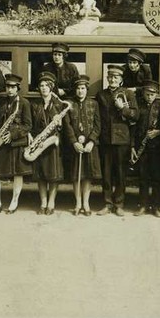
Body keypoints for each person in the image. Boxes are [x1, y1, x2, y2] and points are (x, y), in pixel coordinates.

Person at [95, 64, 138, 216]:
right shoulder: (101, 95)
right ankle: (107, 203)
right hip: (105, 140)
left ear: (121, 80)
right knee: (106, 174)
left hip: (122, 140)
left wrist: (122, 108)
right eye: (110, 77)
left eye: (116, 77)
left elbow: (135, 115)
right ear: (107, 79)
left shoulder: (128, 94)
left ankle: (119, 204)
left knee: (120, 173)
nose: (112, 79)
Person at [0, 73, 33, 214]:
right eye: (8, 86)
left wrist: (13, 134)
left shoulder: (24, 103)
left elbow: (28, 125)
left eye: (13, 87)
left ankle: (14, 201)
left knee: (17, 173)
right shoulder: (1, 102)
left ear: (18, 88)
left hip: (16, 143)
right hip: (1, 142)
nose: (10, 89)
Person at [31, 72, 69, 215]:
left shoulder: (59, 105)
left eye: (47, 85)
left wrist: (59, 125)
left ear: (51, 87)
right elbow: (32, 125)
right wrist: (32, 137)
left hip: (53, 143)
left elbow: (65, 126)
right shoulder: (35, 105)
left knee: (53, 175)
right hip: (40, 142)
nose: (44, 88)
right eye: (41, 85)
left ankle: (51, 202)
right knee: (40, 175)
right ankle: (43, 202)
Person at [64, 75, 102, 216]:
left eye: (83, 88)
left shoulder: (94, 104)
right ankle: (77, 202)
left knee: (87, 175)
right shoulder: (69, 104)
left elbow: (98, 125)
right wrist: (74, 142)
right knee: (76, 175)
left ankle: (86, 203)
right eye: (78, 89)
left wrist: (92, 141)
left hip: (89, 146)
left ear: (87, 90)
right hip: (75, 146)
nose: (80, 91)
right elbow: (67, 125)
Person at [131, 80, 160, 217]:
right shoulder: (138, 106)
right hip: (141, 147)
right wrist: (132, 145)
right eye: (147, 94)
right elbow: (132, 127)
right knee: (143, 177)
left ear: (156, 94)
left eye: (152, 94)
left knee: (156, 177)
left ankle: (156, 207)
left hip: (156, 147)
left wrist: (158, 132)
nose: (149, 96)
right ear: (143, 93)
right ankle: (143, 205)